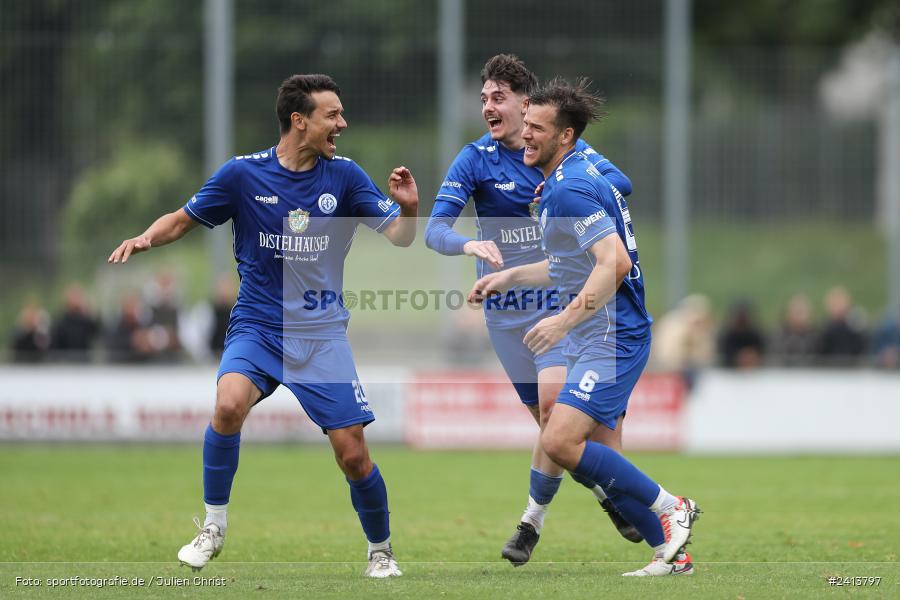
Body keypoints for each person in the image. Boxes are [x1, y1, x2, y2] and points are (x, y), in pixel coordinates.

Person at [108, 74, 418, 578]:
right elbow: (183, 219)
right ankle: (212, 527)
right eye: (332, 114)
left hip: (319, 334)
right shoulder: (242, 175)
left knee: (353, 455)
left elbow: (400, 238)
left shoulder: (345, 177)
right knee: (228, 404)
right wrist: (145, 238)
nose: (342, 122)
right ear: (300, 121)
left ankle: (380, 550)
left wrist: (408, 209)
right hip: (257, 326)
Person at [469, 78, 700, 577]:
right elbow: (572, 263)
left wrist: (562, 320)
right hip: (600, 332)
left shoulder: (570, 188)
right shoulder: (569, 177)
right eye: (525, 124)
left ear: (565, 137)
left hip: (611, 334)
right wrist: (509, 275)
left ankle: (671, 506)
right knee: (600, 453)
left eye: (536, 129)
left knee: (559, 442)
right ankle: (672, 555)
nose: (524, 136)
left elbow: (612, 263)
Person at [425, 54, 640, 566]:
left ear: (527, 104)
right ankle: (614, 497)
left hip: (557, 300)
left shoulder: (564, 153)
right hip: (504, 313)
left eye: (498, 98)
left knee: (554, 410)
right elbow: (434, 229)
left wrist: (560, 188)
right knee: (562, 432)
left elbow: (621, 184)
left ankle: (530, 524)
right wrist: (468, 247)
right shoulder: (474, 159)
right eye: (483, 99)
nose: (487, 108)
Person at [49, 283, 100, 362]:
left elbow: (97, 332)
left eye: (78, 296)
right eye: (73, 296)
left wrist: (88, 311)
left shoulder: (86, 320)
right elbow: (54, 345)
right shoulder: (60, 321)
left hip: (84, 363)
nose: (75, 300)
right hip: (65, 364)